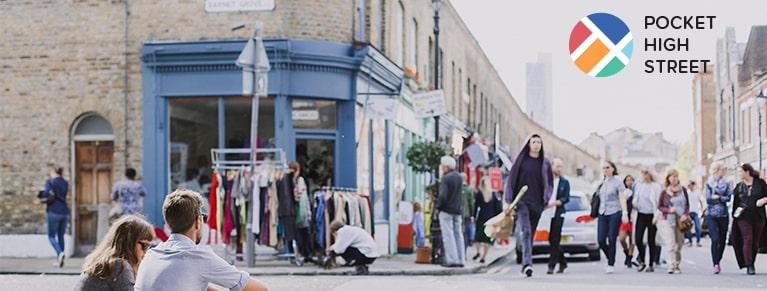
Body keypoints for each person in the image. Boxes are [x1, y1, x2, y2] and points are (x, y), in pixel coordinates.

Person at [135, 189, 268, 291]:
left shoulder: (151, 255)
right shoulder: (198, 257)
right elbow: (261, 289)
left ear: (168, 224)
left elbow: (187, 278)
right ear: (198, 222)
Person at [505, 134, 553, 277]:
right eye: (534, 142)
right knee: (526, 231)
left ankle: (526, 262)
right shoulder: (521, 160)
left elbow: (550, 183)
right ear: (529, 144)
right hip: (522, 202)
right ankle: (527, 264)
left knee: (530, 234)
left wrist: (547, 198)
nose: (537, 144)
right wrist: (509, 201)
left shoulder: (545, 162)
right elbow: (511, 180)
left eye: (539, 142)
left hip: (538, 203)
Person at [74, 215, 154, 291]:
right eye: (144, 245)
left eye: (149, 246)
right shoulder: (119, 265)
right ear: (128, 243)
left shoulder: (104, 262)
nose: (146, 251)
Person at [730, 163, 767, 275]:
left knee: (755, 241)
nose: (739, 173)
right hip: (743, 217)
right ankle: (749, 265)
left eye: (741, 171)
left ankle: (752, 261)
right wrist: (735, 216)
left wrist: (763, 200)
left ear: (747, 172)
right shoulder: (739, 186)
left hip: (758, 216)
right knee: (748, 238)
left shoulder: (760, 183)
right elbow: (735, 203)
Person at [595, 161, 629, 274]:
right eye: (603, 168)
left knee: (611, 238)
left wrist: (625, 213)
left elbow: (622, 198)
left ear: (613, 169)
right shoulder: (601, 183)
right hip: (602, 213)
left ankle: (611, 263)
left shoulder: (618, 182)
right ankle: (610, 256)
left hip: (615, 212)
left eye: (607, 167)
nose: (605, 170)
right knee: (601, 240)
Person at [657, 169, 690, 274]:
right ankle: (671, 265)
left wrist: (685, 214)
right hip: (668, 219)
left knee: (679, 244)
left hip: (681, 220)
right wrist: (668, 210)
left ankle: (677, 264)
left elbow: (687, 205)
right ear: (668, 178)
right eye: (672, 176)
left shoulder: (683, 190)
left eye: (676, 176)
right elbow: (660, 206)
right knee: (670, 243)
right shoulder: (664, 191)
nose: (674, 178)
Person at [436, 156, 465, 268]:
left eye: (443, 166)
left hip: (446, 210)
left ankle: (452, 260)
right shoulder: (459, 177)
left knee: (448, 235)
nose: (442, 168)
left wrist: (438, 206)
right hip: (457, 210)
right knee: (458, 235)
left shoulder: (446, 178)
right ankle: (461, 259)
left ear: (447, 167)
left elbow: (443, 195)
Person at [38, 166, 70, 268]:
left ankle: (60, 253)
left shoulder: (50, 182)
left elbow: (46, 194)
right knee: (61, 236)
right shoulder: (65, 182)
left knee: (51, 236)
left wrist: (41, 194)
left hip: (54, 211)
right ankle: (61, 260)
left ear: (53, 172)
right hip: (64, 212)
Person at [632, 169, 662, 272]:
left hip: (652, 215)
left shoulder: (656, 186)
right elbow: (635, 198)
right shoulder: (639, 185)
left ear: (650, 174)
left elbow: (659, 202)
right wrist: (634, 203)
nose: (644, 175)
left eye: (646, 173)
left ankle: (651, 264)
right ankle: (642, 261)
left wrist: (656, 216)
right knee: (638, 239)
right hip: (641, 214)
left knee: (651, 240)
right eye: (642, 173)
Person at [704, 162, 732, 274]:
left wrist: (719, 197)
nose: (724, 172)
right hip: (711, 215)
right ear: (716, 170)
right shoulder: (709, 183)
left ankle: (718, 260)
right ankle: (715, 263)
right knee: (715, 239)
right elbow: (708, 199)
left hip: (724, 214)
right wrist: (717, 198)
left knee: (722, 240)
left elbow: (729, 197)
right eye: (722, 169)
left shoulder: (727, 183)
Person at [546, 158, 570, 274]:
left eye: (561, 166)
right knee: (551, 239)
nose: (559, 169)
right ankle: (563, 262)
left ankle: (551, 265)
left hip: (558, 213)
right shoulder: (546, 180)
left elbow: (566, 198)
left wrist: (554, 203)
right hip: (546, 213)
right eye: (557, 166)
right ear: (552, 166)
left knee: (555, 239)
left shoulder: (565, 182)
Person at [472, 174, 501, 264]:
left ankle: (478, 252)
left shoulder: (479, 193)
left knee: (478, 237)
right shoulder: (493, 194)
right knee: (487, 239)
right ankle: (484, 256)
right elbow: (498, 208)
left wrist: (473, 216)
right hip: (491, 218)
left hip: (481, 217)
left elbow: (476, 206)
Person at [619, 175, 636, 268]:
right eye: (627, 180)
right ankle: (626, 251)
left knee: (632, 240)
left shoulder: (637, 192)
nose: (630, 182)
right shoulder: (624, 192)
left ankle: (629, 257)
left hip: (634, 218)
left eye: (631, 180)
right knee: (622, 239)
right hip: (625, 218)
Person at [684, 180, 705, 247]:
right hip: (688, 213)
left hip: (696, 212)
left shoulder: (697, 193)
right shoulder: (687, 193)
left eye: (692, 184)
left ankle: (698, 241)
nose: (691, 186)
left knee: (698, 228)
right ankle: (690, 241)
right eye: (690, 185)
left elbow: (701, 201)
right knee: (688, 228)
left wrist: (702, 210)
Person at [461, 173, 476, 252]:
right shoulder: (469, 189)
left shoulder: (458, 188)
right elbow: (471, 203)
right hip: (466, 214)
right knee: (465, 234)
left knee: (459, 233)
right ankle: (464, 252)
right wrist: (472, 214)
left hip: (457, 213)